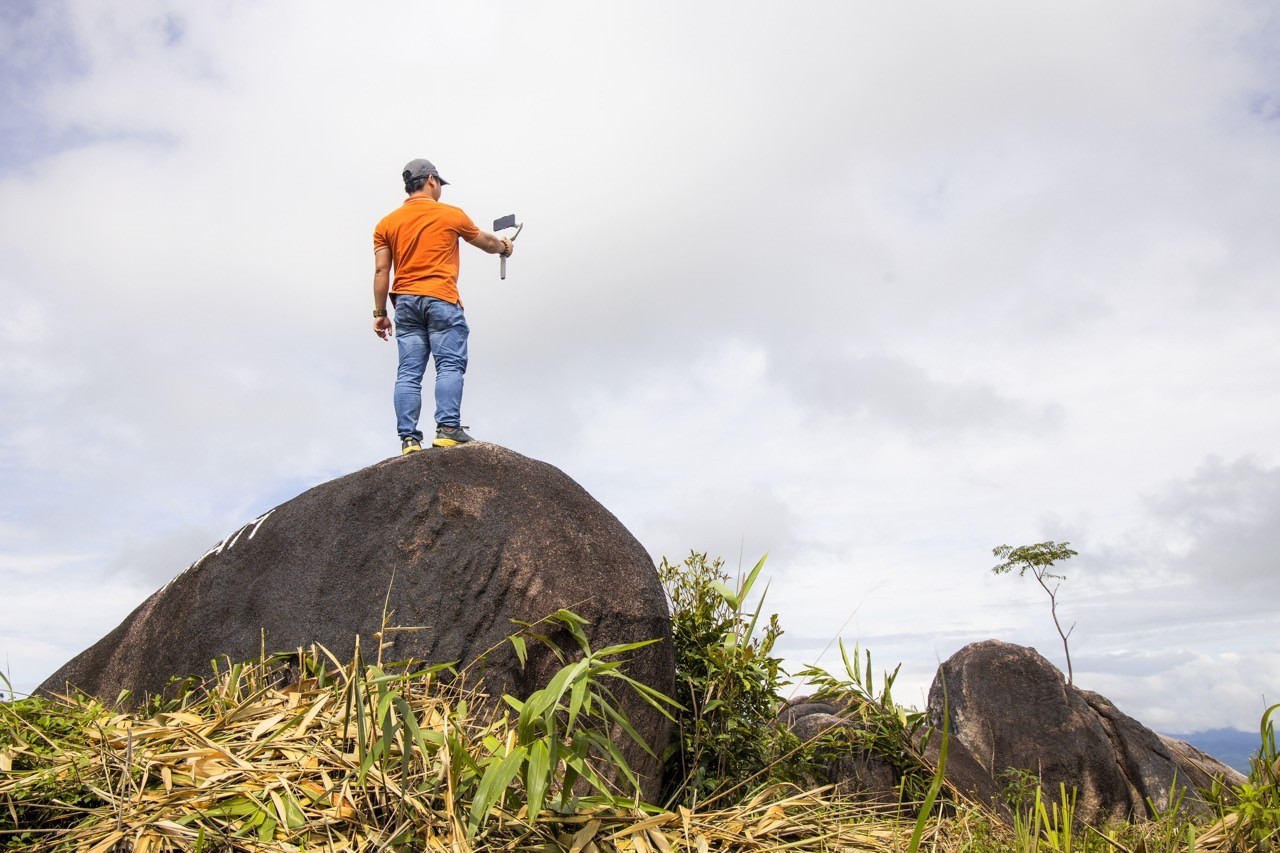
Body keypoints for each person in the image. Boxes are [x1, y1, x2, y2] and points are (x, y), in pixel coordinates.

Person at [372, 158, 514, 455]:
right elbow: (487, 243)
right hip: (441, 300)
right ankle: (448, 429)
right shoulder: (450, 215)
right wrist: (504, 246)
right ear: (432, 181)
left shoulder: (386, 224)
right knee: (449, 365)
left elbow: (381, 272)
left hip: (406, 304)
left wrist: (381, 313)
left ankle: (409, 440)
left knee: (408, 372)